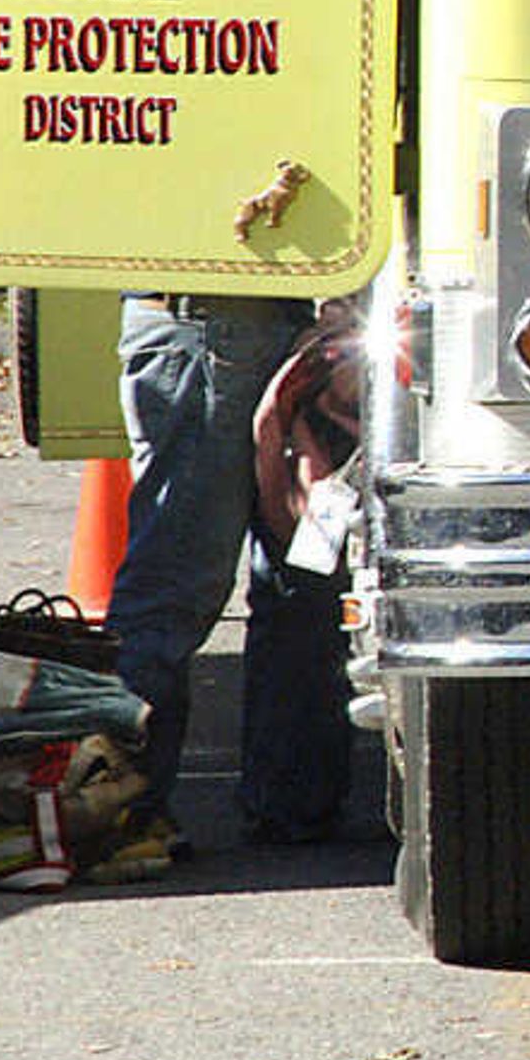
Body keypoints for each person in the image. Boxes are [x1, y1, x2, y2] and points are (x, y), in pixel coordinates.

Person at [105, 292, 356, 847]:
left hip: (225, 322)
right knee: (178, 585)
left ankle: (286, 803)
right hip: (217, 324)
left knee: (299, 573)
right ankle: (116, 809)